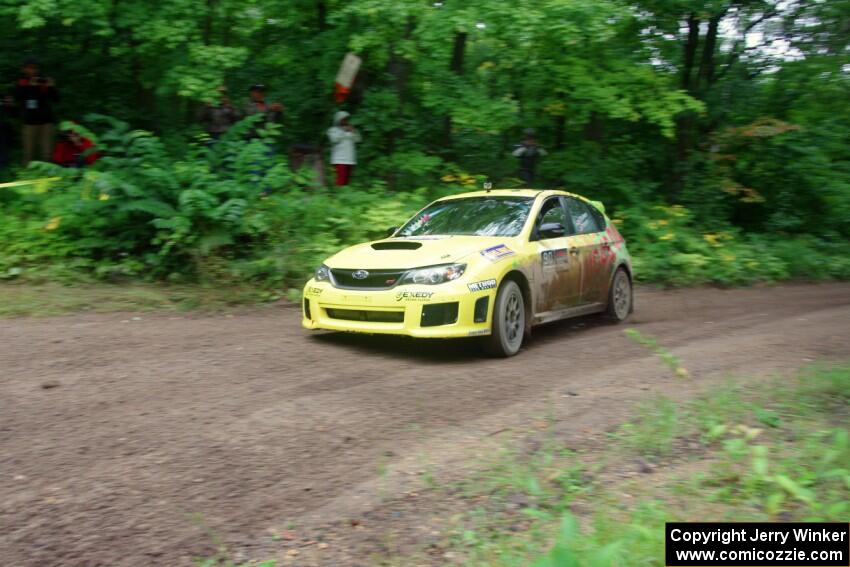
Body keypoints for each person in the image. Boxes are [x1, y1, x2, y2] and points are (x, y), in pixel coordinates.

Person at [15, 60, 59, 166]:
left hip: (46, 121)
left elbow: (56, 99)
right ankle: (27, 174)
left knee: (47, 153)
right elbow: (19, 97)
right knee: (29, 153)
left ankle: (47, 174)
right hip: (30, 122)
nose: (32, 70)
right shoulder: (22, 82)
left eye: (34, 68)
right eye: (29, 67)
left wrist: (52, 87)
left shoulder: (43, 81)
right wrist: (31, 86)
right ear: (24, 69)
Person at [327, 110, 361, 186]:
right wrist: (343, 131)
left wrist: (354, 131)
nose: (345, 121)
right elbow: (334, 140)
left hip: (350, 159)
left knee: (347, 182)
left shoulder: (351, 130)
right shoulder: (333, 130)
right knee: (339, 181)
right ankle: (337, 196)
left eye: (346, 119)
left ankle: (345, 196)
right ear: (338, 120)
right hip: (339, 159)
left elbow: (358, 139)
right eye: (343, 119)